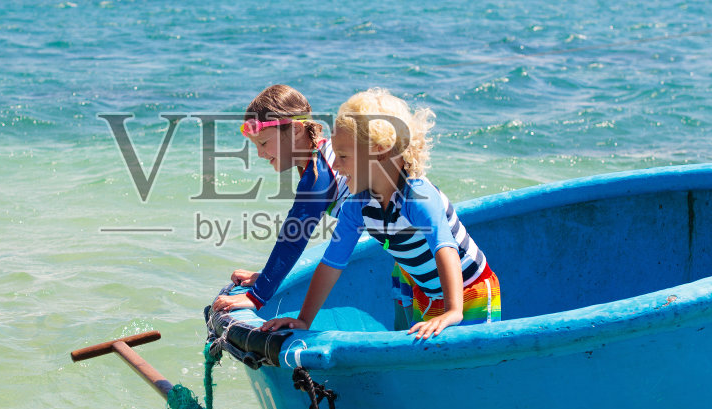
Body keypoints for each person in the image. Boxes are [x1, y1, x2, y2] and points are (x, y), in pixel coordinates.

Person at [261, 88, 500, 340]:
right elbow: (331, 264)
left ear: (381, 151)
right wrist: (304, 320)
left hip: (469, 291)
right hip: (426, 292)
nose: (336, 166)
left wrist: (452, 311)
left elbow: (445, 248)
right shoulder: (357, 207)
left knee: (468, 357)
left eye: (343, 156)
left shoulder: (417, 196)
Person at [211, 85, 349, 314]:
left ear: (295, 130)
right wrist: (266, 276)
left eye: (263, 143)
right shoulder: (323, 155)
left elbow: (292, 239)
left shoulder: (319, 174)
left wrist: (257, 296)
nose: (260, 153)